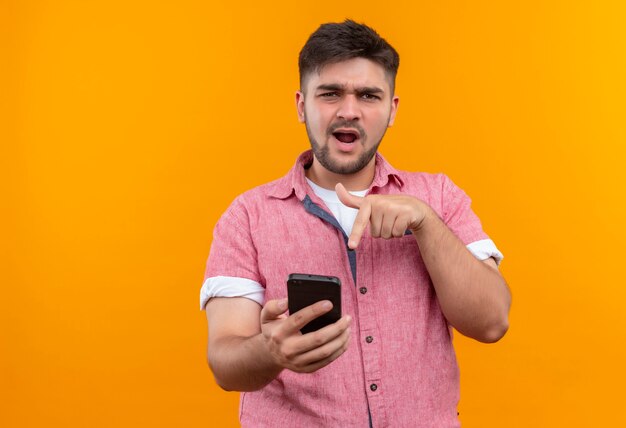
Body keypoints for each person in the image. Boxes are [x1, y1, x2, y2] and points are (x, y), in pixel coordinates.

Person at [200, 20, 511, 427]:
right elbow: (225, 364)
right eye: (330, 94)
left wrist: (426, 225)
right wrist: (270, 351)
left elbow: (491, 323)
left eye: (368, 95)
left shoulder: (438, 199)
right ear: (301, 105)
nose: (349, 111)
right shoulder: (247, 216)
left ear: (391, 109)